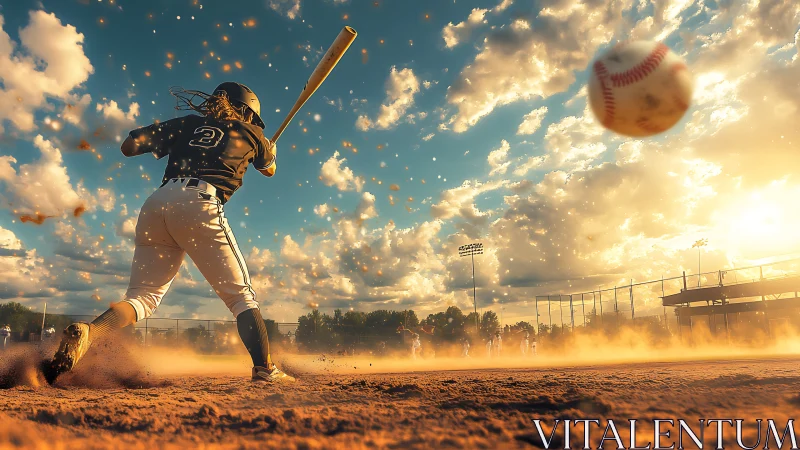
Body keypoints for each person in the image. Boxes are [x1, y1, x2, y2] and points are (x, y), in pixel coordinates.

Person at [44, 82, 292, 384]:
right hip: (200, 202)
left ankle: (90, 332)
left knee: (142, 297)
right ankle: (266, 368)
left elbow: (128, 146)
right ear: (247, 112)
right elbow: (269, 170)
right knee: (241, 297)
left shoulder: (189, 124)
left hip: (156, 204)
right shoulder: (252, 132)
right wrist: (269, 151)